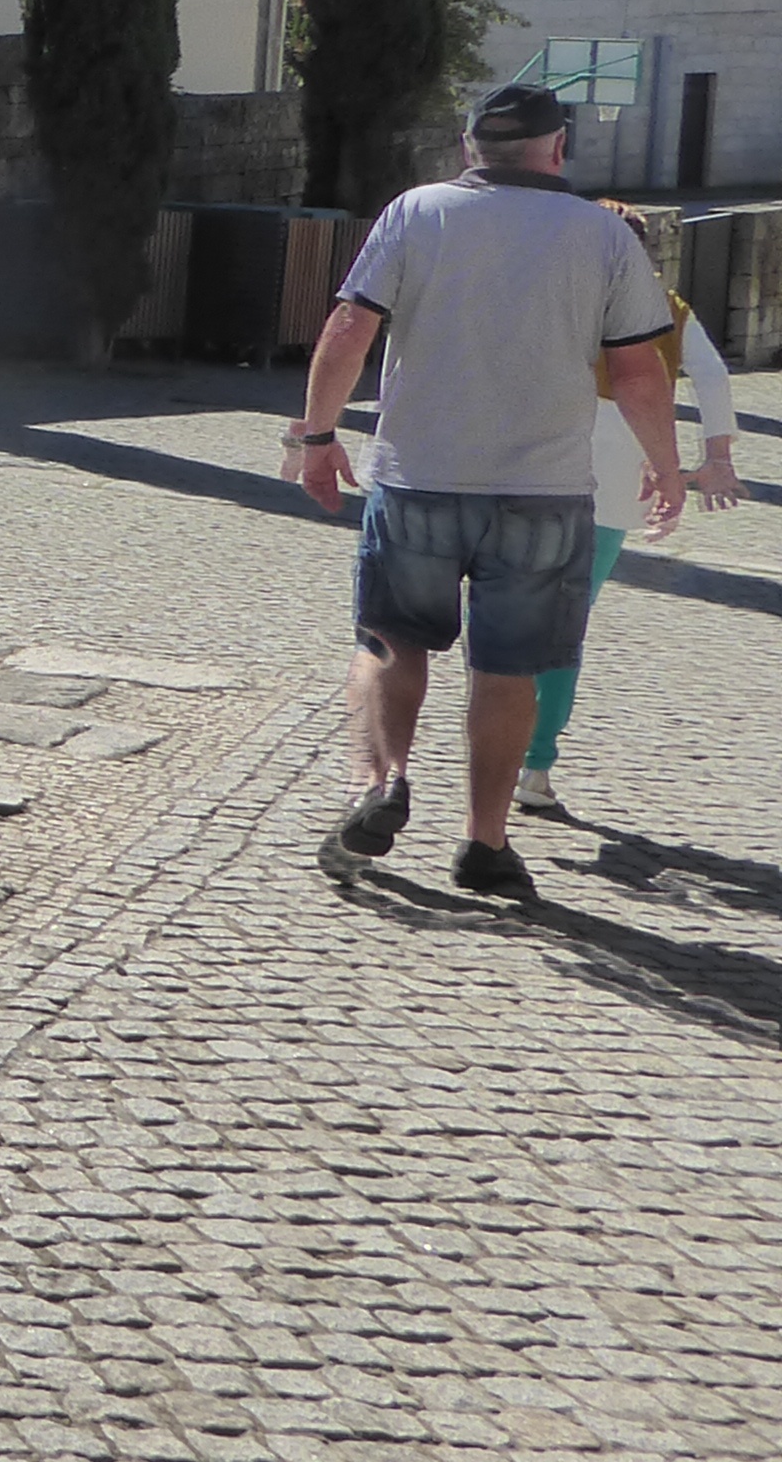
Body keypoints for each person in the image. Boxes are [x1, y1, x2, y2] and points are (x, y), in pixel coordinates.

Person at [289, 82, 681, 904]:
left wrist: (317, 439)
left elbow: (350, 328)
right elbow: (639, 371)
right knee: (509, 672)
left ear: (470, 146)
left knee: (390, 642)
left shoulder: (416, 211)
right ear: (558, 147)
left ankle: (381, 783)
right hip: (544, 492)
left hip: (420, 476)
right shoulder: (603, 234)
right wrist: (666, 465)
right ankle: (486, 842)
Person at [516, 202, 745, 816]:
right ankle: (536, 762)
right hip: (618, 482)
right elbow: (712, 377)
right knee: (566, 624)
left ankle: (500, 739)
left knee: (510, 611)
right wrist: (716, 457)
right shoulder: (667, 308)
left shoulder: (547, 293)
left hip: (533, 471)